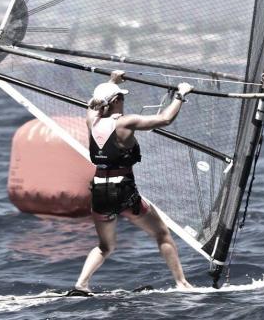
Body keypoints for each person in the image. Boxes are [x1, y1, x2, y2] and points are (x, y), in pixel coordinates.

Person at [72, 70, 194, 294]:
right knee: (161, 234)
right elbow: (165, 119)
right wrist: (181, 95)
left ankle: (81, 284)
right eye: (122, 98)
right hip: (123, 191)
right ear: (117, 101)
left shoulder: (91, 121)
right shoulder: (125, 123)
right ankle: (182, 283)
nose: (123, 102)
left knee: (105, 246)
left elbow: (93, 105)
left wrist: (111, 82)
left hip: (99, 190)